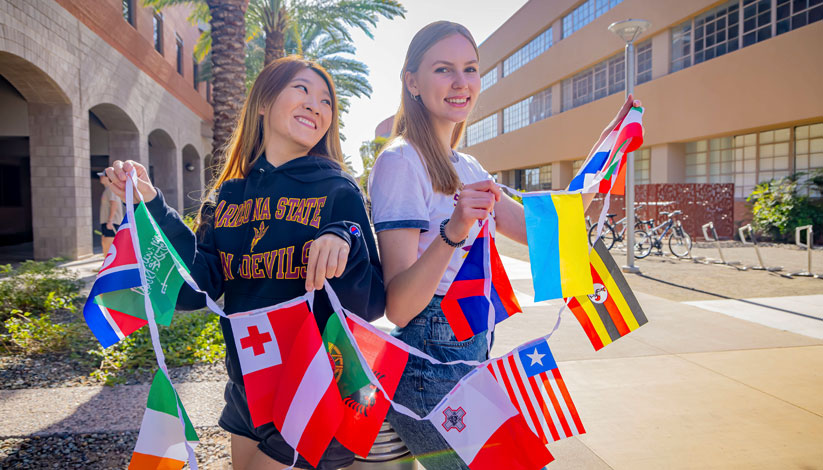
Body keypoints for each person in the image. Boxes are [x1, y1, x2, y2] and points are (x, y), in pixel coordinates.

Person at [368, 21, 640, 469]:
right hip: (427, 366)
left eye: (470, 69)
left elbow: (546, 233)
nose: (461, 83)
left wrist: (605, 150)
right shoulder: (401, 161)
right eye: (443, 69)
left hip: (470, 356)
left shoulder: (470, 165)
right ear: (412, 82)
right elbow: (398, 307)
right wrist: (453, 231)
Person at [105, 56, 384, 470]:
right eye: (302, 90)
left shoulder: (338, 189)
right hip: (245, 387)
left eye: (326, 101)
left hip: (310, 385)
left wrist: (347, 238)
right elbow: (196, 287)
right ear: (263, 103)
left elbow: (374, 302)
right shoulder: (228, 195)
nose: (316, 105)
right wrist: (151, 207)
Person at [98, 171, 124, 255]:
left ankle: (110, 265)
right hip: (107, 221)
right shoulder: (107, 189)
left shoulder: (111, 189)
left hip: (112, 222)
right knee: (105, 242)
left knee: (109, 244)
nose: (100, 178)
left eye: (102, 176)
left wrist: (110, 221)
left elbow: (114, 203)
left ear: (108, 178)